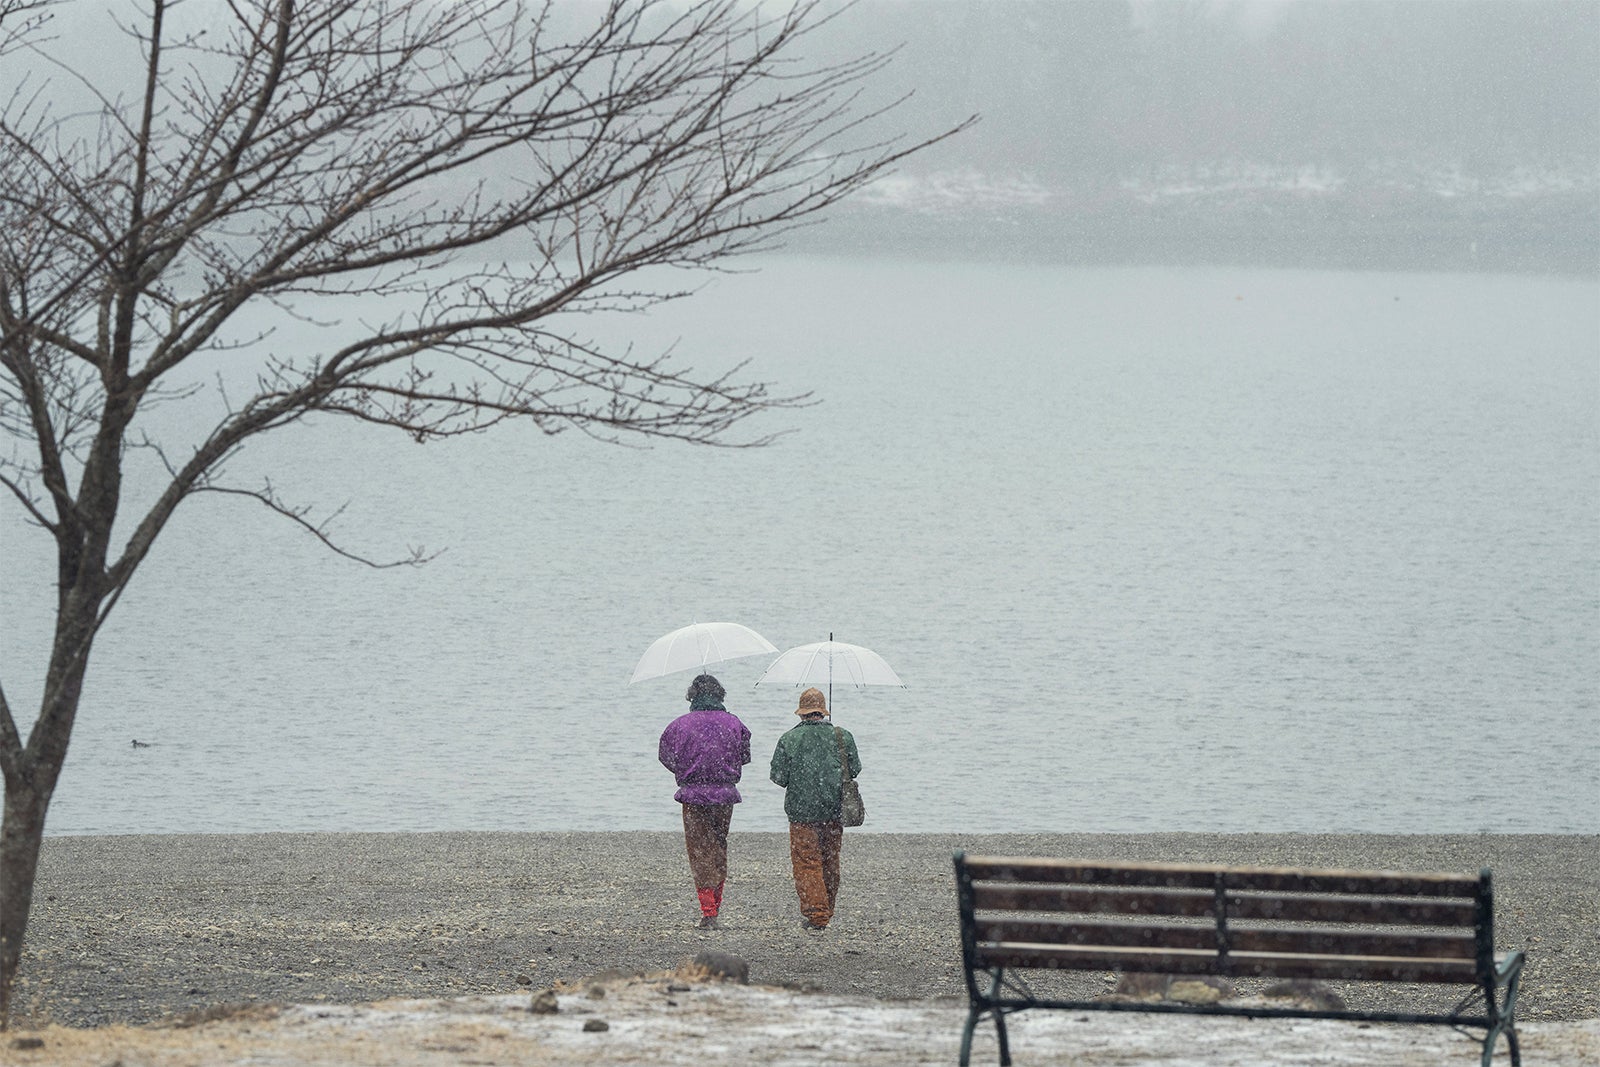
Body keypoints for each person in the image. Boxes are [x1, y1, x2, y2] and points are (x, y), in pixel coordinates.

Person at [658, 673, 751, 929]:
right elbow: (744, 755)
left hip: (693, 795)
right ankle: (715, 905)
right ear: (720, 694)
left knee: (699, 850)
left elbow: (665, 756)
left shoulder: (678, 726)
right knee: (719, 846)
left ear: (692, 696)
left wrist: (686, 771)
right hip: (724, 795)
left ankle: (708, 910)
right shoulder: (734, 724)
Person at [769, 687, 861, 931]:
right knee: (831, 861)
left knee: (807, 863)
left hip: (801, 813)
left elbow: (778, 777)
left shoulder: (788, 739)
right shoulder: (843, 736)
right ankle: (827, 908)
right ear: (823, 711)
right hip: (834, 810)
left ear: (801, 713)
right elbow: (854, 769)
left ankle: (817, 914)